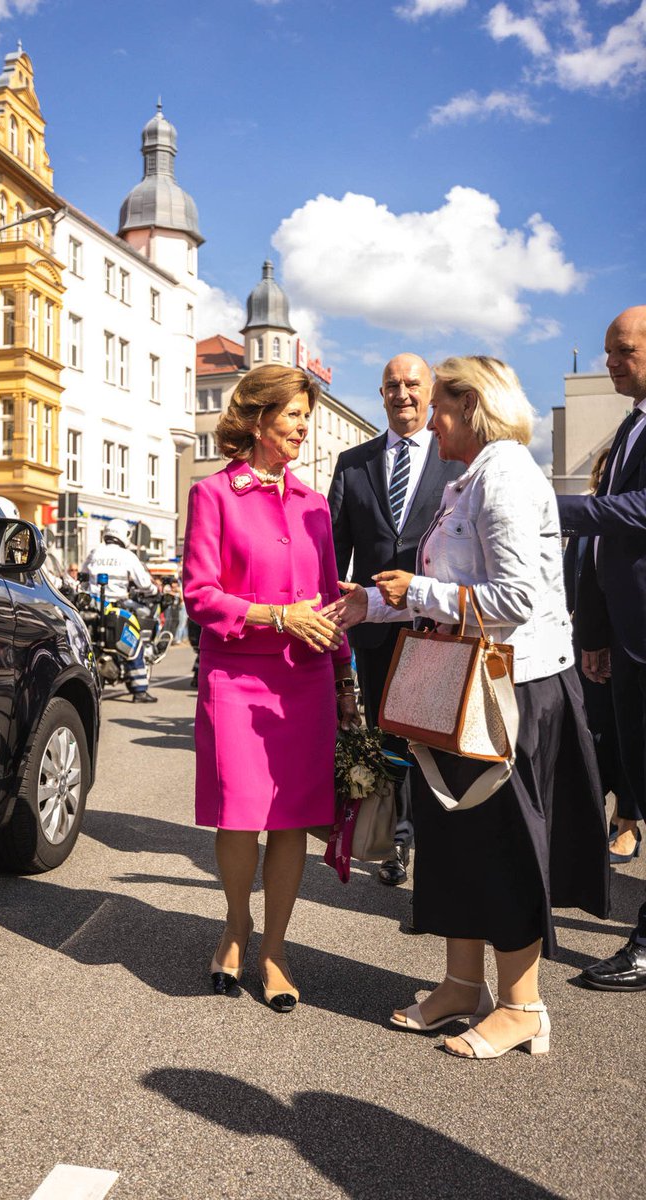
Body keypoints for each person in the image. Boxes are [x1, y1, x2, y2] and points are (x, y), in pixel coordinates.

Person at [326, 355, 609, 1058]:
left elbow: (514, 600)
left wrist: (411, 594)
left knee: (503, 841)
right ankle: (461, 984)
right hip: (464, 685)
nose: (431, 419)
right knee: (453, 842)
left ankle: (522, 1006)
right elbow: (448, 589)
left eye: (443, 408)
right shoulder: (471, 478)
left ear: (471, 407)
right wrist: (370, 603)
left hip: (510, 688)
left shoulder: (507, 474)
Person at [183, 364, 357, 1013]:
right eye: (292, 416)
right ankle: (236, 923)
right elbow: (200, 594)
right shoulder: (214, 496)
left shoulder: (315, 505)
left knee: (292, 819)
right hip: (235, 673)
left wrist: (344, 676)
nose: (303, 429)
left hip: (306, 680)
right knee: (240, 812)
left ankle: (275, 950)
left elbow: (332, 597)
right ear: (258, 419)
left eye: (307, 418)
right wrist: (277, 615)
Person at [328, 354, 462, 886]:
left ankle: (442, 844)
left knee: (438, 741)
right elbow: (333, 558)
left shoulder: (458, 462)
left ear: (431, 392)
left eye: (412, 384)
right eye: (391, 385)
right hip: (377, 631)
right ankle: (398, 840)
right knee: (390, 739)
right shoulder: (352, 462)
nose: (402, 393)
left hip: (438, 629)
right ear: (380, 394)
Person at [557, 305, 646, 990]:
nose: (610, 362)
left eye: (622, 351)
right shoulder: (628, 427)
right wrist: (596, 635)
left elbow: (637, 512)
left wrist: (549, 504)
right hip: (625, 638)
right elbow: (599, 555)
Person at [563, 449, 622, 838]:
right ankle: (593, 819)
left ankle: (628, 816)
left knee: (624, 735)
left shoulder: (622, 522)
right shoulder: (587, 527)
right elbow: (574, 581)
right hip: (587, 640)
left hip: (626, 640)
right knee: (594, 731)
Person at [82, 519, 159, 703]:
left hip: (93, 606)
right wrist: (154, 591)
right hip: (116, 608)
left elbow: (83, 577)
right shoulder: (127, 556)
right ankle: (139, 691)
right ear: (125, 535)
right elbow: (145, 584)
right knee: (133, 643)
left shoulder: (94, 552)